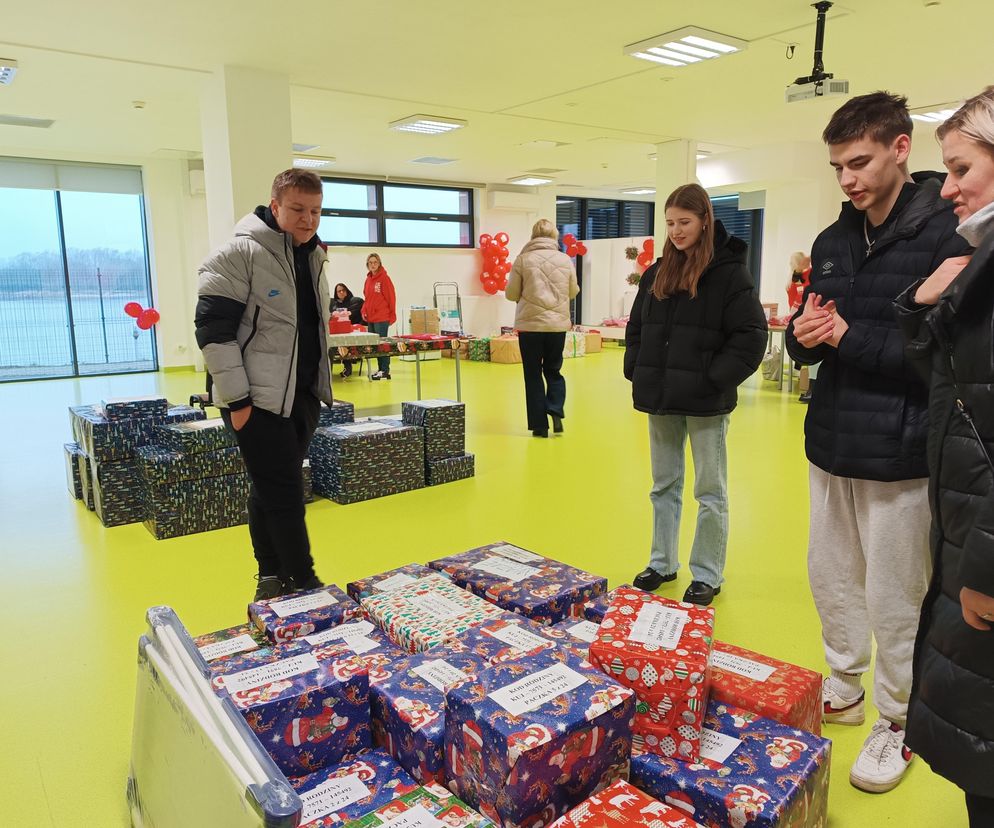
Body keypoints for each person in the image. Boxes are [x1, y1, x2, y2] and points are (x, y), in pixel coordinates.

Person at [784, 92, 970, 794]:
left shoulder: (946, 238)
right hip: (830, 441)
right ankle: (845, 684)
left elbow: (939, 357)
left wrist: (848, 339)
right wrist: (804, 341)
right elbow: (815, 338)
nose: (848, 179)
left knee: (897, 595)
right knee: (830, 580)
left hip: (901, 451)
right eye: (837, 167)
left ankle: (897, 719)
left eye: (858, 162)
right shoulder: (833, 241)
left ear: (901, 148)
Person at [894, 87, 994, 827]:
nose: (949, 187)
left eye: (961, 169)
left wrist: (987, 569)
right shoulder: (976, 259)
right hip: (965, 533)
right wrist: (924, 301)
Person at [626, 183, 767, 606]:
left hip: (705, 401)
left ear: (705, 220)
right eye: (670, 223)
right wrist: (637, 370)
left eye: (684, 222)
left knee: (710, 491)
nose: (676, 231)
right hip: (661, 398)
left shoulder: (729, 273)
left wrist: (714, 378)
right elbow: (637, 329)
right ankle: (661, 562)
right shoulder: (656, 272)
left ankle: (706, 572)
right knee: (663, 484)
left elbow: (751, 336)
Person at [195, 169, 331, 601]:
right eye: (297, 209)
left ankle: (270, 575)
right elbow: (213, 332)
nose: (307, 219)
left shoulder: (313, 255)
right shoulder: (240, 254)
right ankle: (305, 584)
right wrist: (237, 400)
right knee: (286, 492)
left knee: (270, 485)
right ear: (274, 206)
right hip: (256, 399)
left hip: (302, 396)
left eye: (315, 211)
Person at [505, 218, 579, 437]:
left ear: (533, 235)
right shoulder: (565, 260)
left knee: (533, 374)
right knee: (554, 370)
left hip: (530, 327)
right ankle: (555, 409)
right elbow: (573, 290)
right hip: (557, 327)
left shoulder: (522, 259)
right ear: (554, 236)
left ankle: (539, 426)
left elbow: (511, 294)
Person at [785, 252, 816, 402]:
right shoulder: (794, 280)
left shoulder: (809, 276)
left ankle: (811, 386)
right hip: (799, 318)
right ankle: (807, 382)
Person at [361, 252, 396, 380]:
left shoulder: (384, 279)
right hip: (371, 318)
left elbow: (391, 297)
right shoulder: (368, 280)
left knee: (383, 343)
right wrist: (363, 311)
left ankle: (385, 370)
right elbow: (367, 298)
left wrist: (392, 314)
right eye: (370, 262)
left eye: (375, 262)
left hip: (382, 317)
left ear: (379, 263)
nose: (373, 264)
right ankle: (380, 369)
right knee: (375, 345)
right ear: (367, 265)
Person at [331, 282, 364, 377]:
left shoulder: (355, 301)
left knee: (344, 341)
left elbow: (351, 316)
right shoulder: (335, 305)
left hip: (354, 330)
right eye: (339, 291)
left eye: (343, 290)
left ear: (347, 291)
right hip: (340, 330)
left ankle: (347, 367)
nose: (341, 292)